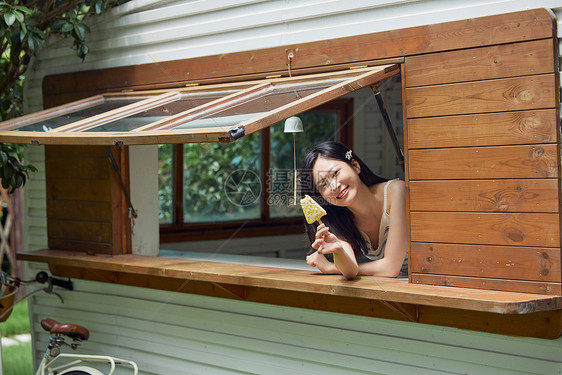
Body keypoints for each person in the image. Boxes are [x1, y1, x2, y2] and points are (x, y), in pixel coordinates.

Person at [301, 141, 408, 280]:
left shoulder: (397, 191)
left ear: (355, 166)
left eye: (335, 173)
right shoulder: (338, 221)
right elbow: (350, 270)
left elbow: (391, 268)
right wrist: (338, 251)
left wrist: (331, 268)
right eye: (323, 185)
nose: (334, 186)